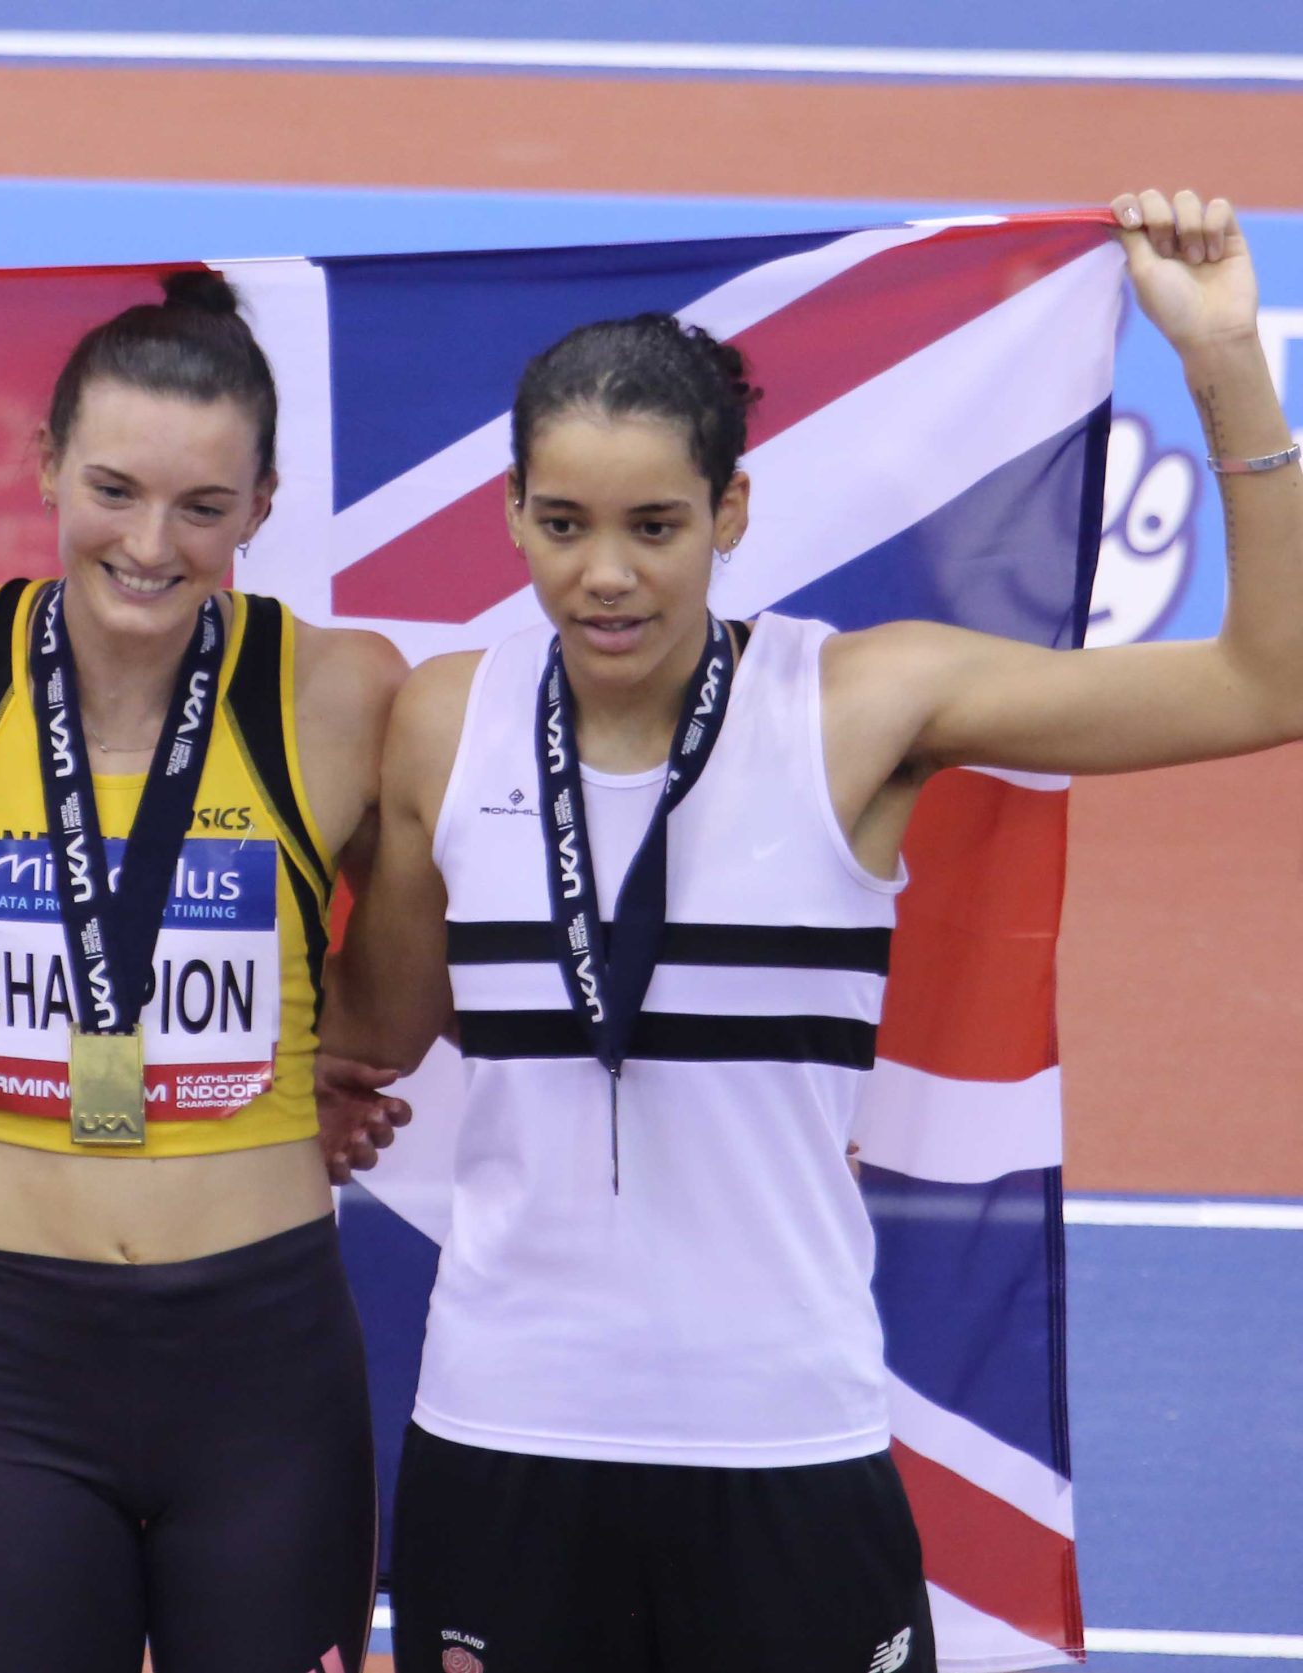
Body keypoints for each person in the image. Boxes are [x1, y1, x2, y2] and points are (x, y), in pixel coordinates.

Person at [325, 189, 1297, 1673]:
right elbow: (376, 1028)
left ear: (732, 512)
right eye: (564, 524)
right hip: (505, 1430)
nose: (605, 574)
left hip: (781, 1441)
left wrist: (1222, 355)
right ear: (511, 512)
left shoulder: (857, 707)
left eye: (656, 526)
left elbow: (1267, 681)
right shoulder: (446, 722)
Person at [0, 270, 406, 1673]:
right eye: (113, 489)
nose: (152, 545)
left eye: (204, 507)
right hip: (17, 1370)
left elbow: (409, 991)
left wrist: (302, 1059)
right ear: (44, 464)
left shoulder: (341, 690)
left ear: (264, 504)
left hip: (264, 1366)